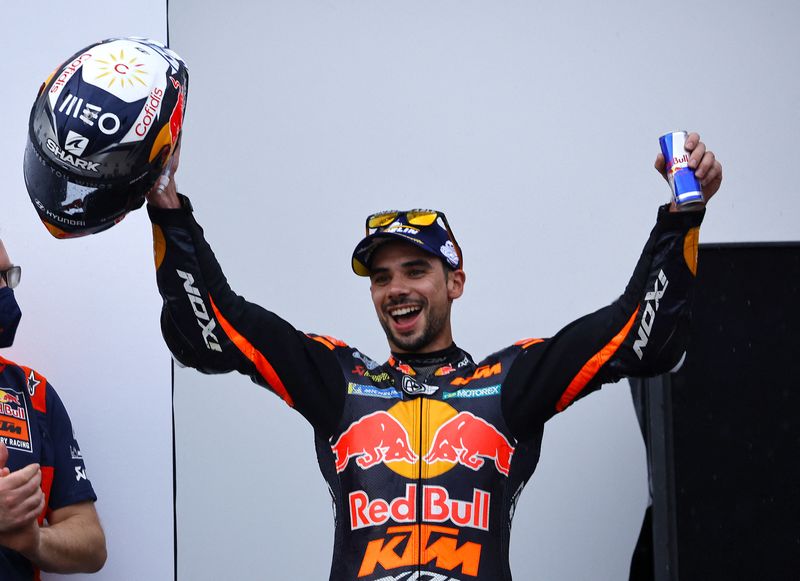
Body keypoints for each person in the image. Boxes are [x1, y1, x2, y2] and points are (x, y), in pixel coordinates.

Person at [145, 133, 721, 581]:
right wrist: (168, 207)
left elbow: (635, 337)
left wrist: (682, 214)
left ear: (455, 283)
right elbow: (217, 330)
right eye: (382, 277)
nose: (397, 288)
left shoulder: (509, 383)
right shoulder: (339, 381)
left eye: (416, 271)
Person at [0, 239, 106, 579]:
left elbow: (91, 543)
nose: (5, 291)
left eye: (7, 276)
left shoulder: (35, 394)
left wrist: (35, 541)